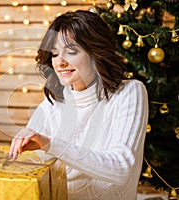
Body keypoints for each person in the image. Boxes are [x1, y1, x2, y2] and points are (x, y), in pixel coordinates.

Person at [9, 10, 148, 200]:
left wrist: (50, 144)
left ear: (95, 52)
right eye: (55, 54)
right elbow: (32, 167)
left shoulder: (129, 92)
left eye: (71, 52)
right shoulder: (53, 102)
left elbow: (121, 168)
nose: (60, 63)